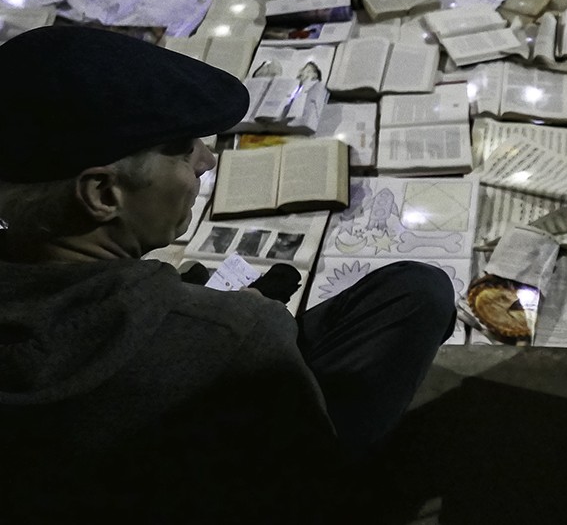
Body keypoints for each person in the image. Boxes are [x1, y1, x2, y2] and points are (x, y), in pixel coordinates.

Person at [0, 26, 456, 522]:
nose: (207, 159)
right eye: (181, 147)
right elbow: (303, 477)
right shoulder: (237, 336)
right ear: (103, 194)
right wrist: (225, 325)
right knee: (419, 293)